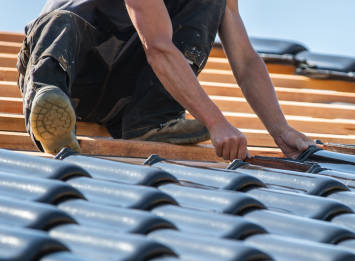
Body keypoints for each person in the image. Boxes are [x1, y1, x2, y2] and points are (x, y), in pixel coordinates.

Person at [18, 0, 314, 160]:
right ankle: (48, 101)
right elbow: (158, 48)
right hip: (71, 65)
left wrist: (280, 129)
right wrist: (216, 122)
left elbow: (247, 61)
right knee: (63, 22)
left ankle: (150, 120)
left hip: (120, 86)